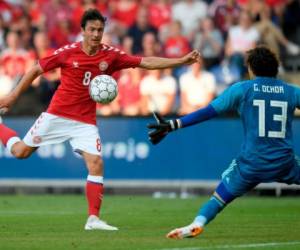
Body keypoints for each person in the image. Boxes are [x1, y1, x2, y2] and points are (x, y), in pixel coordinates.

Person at [0, 8, 201, 231]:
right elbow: (36, 69)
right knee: (20, 152)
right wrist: (11, 96)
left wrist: (180, 61)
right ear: (83, 31)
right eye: (92, 30)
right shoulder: (68, 52)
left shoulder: (110, 55)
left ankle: (93, 219)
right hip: (57, 114)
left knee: (96, 163)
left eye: (100, 30)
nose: (96, 34)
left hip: (85, 121)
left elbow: (146, 62)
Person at [147, 45, 300, 239]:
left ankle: (197, 223)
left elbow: (208, 112)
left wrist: (173, 125)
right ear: (276, 68)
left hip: (251, 164)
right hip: (285, 162)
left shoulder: (243, 89)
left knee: (219, 199)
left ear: (251, 69)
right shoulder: (292, 91)